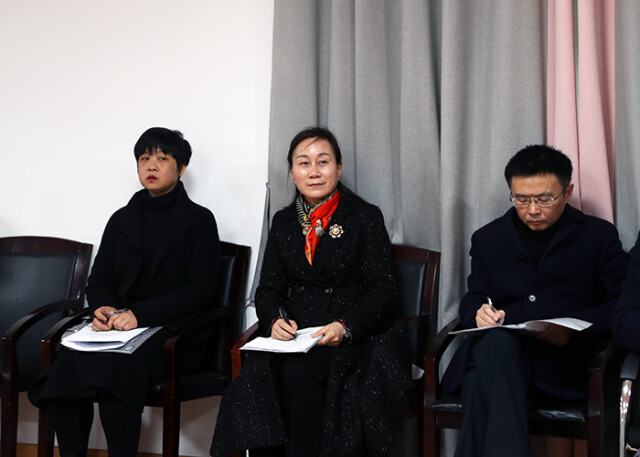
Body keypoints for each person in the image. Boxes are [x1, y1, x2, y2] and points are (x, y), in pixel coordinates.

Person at [209, 127, 412, 457]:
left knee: (299, 374)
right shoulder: (284, 222)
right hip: (297, 333)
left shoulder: (364, 217)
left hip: (351, 334)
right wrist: (274, 320)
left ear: (339, 168)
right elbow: (268, 288)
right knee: (257, 375)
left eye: (323, 162)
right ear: (292, 172)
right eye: (304, 163)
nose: (314, 171)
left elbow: (384, 290)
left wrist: (345, 326)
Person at [29, 127, 222, 457]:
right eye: (144, 158)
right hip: (119, 328)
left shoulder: (200, 220)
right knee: (66, 365)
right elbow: (99, 280)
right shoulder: (121, 219)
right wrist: (104, 309)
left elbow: (200, 291)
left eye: (162, 158)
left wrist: (138, 315)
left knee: (117, 369)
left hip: (174, 330)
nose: (151, 166)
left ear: (181, 167)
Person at [440, 145, 627, 457]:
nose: (532, 210)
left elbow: (622, 304)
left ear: (567, 192)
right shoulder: (488, 238)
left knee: (478, 383)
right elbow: (475, 296)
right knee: (495, 341)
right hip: (503, 355)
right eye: (522, 199)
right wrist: (478, 313)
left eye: (544, 199)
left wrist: (572, 330)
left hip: (563, 366)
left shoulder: (597, 236)